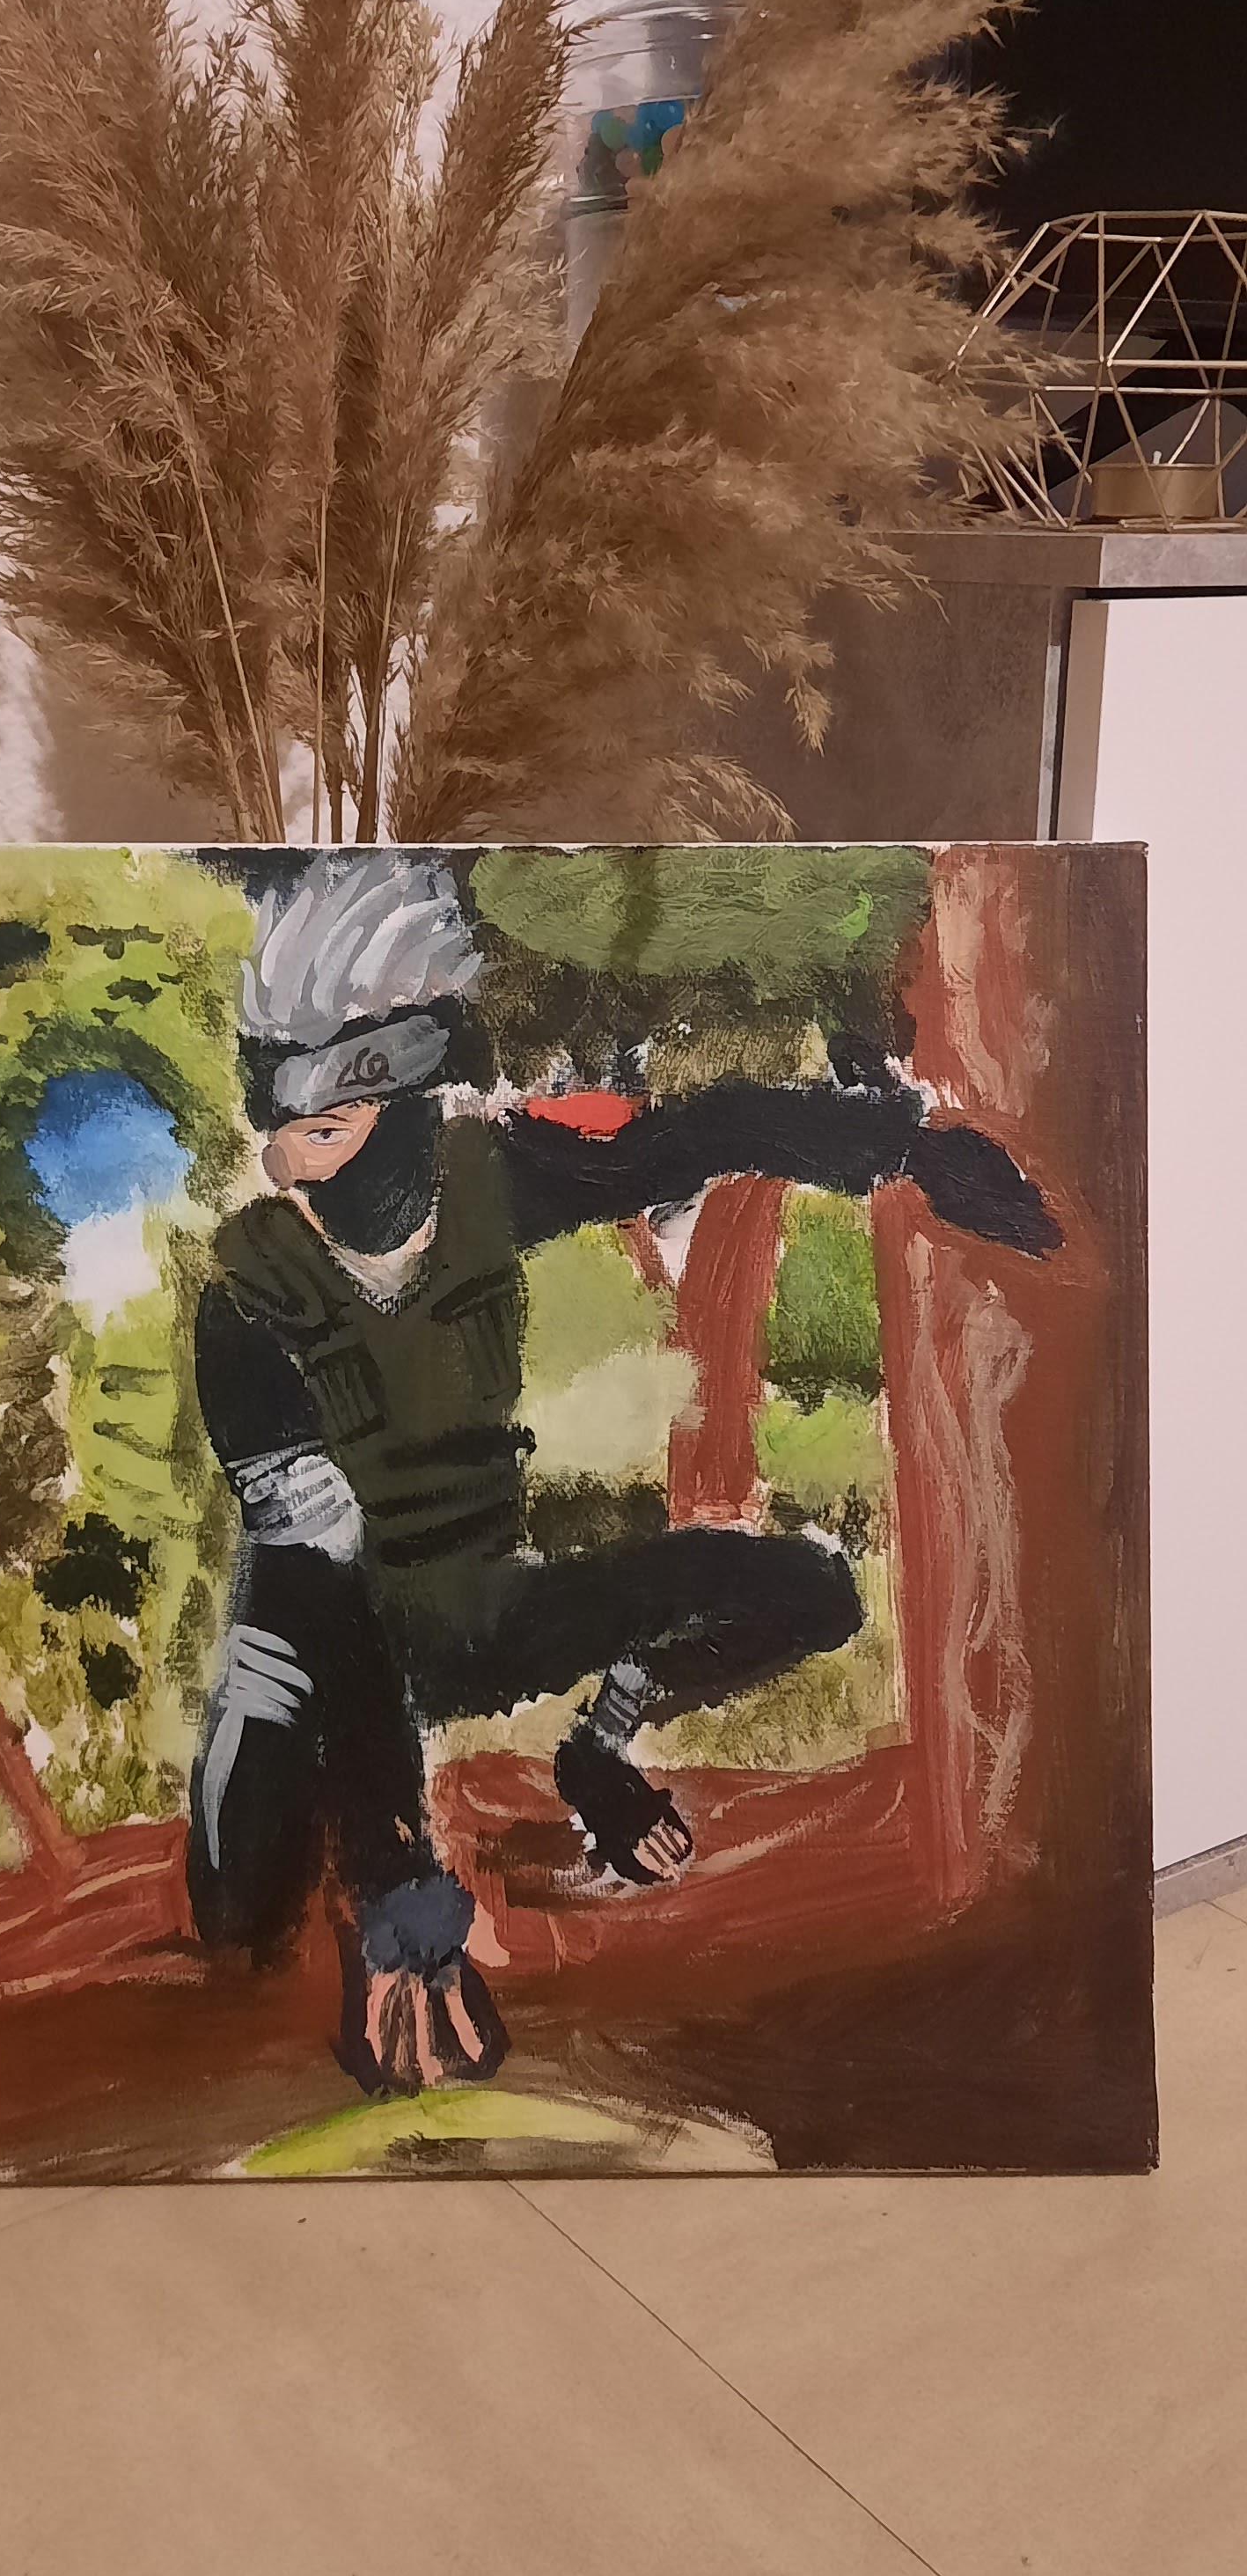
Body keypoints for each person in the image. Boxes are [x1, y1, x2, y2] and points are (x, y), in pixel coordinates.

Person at [187, 855, 1059, 2095]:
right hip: (318, 1657)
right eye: (279, 1137)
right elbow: (327, 1590)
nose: (287, 1169)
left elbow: (696, 1136)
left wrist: (910, 1145)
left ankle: (597, 1752)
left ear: (404, 1099)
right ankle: (295, 1851)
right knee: (240, 1917)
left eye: (320, 1132)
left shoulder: (487, 1178)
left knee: (809, 1594)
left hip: (488, 1614)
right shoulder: (244, 1301)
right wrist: (400, 1892)